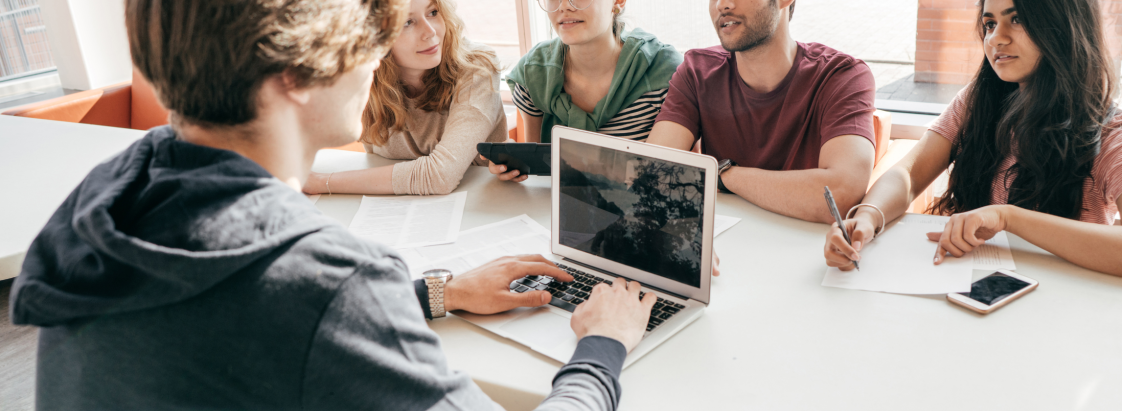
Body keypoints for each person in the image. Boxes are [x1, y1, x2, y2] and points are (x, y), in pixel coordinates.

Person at [8, 0, 656, 409]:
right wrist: (601, 347)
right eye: (359, 32)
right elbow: (304, 304)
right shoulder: (329, 281)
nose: (374, 54)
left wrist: (439, 292)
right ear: (293, 70)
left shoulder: (106, 196)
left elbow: (259, 326)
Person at [823, 0, 1122, 287]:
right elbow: (908, 172)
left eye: (1017, 19)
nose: (997, 37)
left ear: (1062, 26)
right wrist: (868, 217)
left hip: (1064, 310)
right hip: (972, 292)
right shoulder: (979, 100)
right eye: (990, 23)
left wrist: (1008, 218)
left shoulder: (1116, 134)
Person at [644, 0, 877, 223]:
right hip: (725, 248)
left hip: (808, 250)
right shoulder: (696, 72)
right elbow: (651, 173)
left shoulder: (841, 76)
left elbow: (840, 195)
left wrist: (722, 175)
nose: (722, 4)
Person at [303, 0, 507, 196]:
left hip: (475, 203)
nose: (430, 32)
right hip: (390, 209)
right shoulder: (364, 74)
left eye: (433, 12)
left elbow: (440, 176)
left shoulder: (477, 66)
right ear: (373, 36)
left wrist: (321, 182)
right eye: (407, 22)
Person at [491, 0, 683, 183]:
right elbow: (536, 173)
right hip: (560, 210)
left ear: (618, 1)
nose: (564, 6)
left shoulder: (664, 72)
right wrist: (513, 167)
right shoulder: (532, 73)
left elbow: (677, 176)